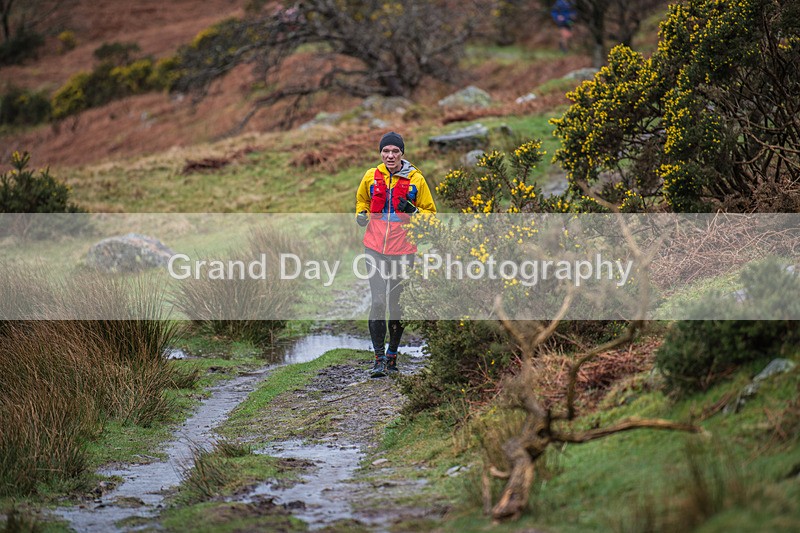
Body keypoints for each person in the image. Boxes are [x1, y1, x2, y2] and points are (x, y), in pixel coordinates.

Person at [355, 131, 436, 378]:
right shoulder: (371, 176)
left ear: (402, 153)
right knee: (378, 302)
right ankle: (378, 358)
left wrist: (412, 210)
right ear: (381, 153)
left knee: (397, 305)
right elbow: (362, 202)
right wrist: (361, 215)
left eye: (395, 151)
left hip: (404, 250)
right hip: (375, 249)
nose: (390, 155)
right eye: (386, 151)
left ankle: (392, 354)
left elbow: (431, 216)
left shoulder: (416, 180)